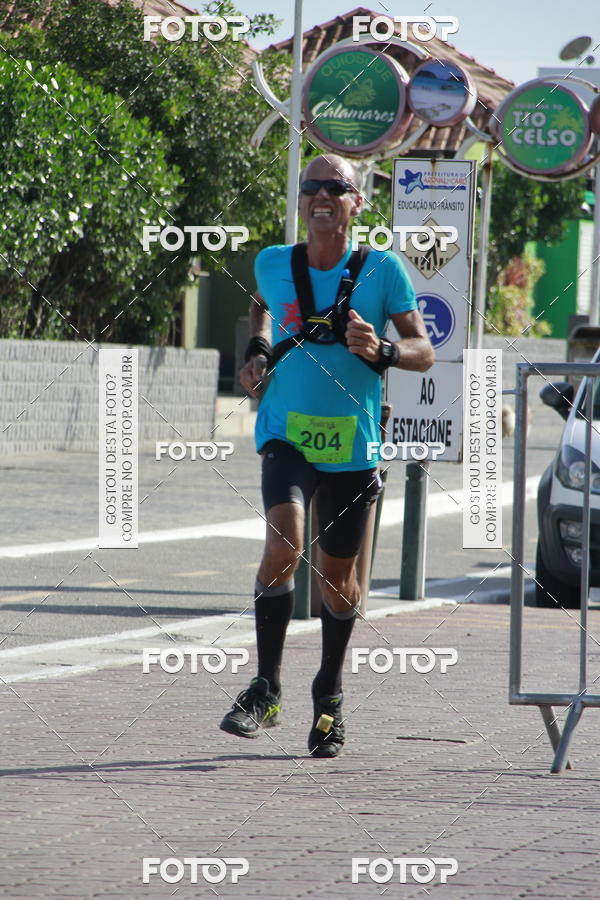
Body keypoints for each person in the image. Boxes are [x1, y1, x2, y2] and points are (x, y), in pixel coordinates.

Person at [220, 153, 434, 757]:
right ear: (300, 199)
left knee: (339, 582)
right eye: (310, 186)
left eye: (334, 187)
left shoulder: (382, 270)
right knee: (283, 542)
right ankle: (265, 688)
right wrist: (258, 349)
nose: (320, 196)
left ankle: (329, 694)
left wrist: (384, 351)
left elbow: (422, 349)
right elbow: (262, 303)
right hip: (285, 431)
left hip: (353, 442)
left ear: (355, 202)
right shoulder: (273, 261)